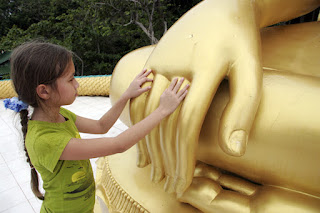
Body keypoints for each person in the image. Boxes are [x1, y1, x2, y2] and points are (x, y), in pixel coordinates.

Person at [4, 41, 189, 213]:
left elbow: (101, 126)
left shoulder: (60, 115)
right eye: (70, 79)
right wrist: (162, 110)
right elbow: (118, 145)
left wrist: (126, 95)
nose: (77, 84)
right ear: (44, 91)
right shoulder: (45, 140)